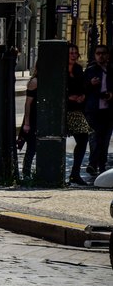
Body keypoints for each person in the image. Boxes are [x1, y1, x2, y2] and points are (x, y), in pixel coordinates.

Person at [84, 45, 113, 176]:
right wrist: (90, 84)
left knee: (105, 139)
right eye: (98, 53)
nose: (100, 55)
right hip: (93, 110)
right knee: (94, 138)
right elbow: (83, 88)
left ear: (108, 55)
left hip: (108, 110)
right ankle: (93, 164)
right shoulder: (90, 70)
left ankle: (101, 165)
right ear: (95, 55)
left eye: (103, 53)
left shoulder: (111, 70)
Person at [66, 43, 90, 186]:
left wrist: (83, 96)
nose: (74, 55)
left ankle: (75, 173)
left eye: (75, 53)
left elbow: (83, 86)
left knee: (83, 138)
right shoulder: (60, 70)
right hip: (63, 109)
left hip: (76, 109)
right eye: (71, 53)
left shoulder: (78, 69)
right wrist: (68, 97)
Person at [19, 61, 38, 180]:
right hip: (33, 118)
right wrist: (26, 123)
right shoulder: (34, 81)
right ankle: (26, 172)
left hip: (41, 118)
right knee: (31, 147)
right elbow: (28, 103)